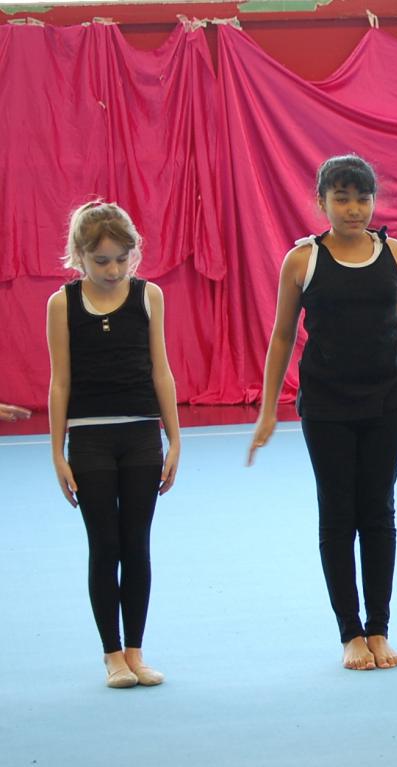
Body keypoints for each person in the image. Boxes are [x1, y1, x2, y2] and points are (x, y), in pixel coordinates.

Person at [247, 154, 397, 669]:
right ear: (321, 202)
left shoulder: (395, 254)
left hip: (383, 402)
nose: (354, 209)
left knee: (379, 513)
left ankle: (379, 629)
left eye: (363, 198)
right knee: (338, 514)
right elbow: (282, 337)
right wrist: (268, 410)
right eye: (341, 199)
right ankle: (350, 634)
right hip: (327, 407)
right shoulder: (303, 261)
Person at [46, 201, 181, 688]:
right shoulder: (62, 304)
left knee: (136, 544)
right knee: (104, 545)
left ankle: (135, 651)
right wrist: (57, 452)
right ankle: (111, 654)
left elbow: (161, 370)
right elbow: (60, 382)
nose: (113, 270)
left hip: (141, 434)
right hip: (90, 439)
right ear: (79, 256)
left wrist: (174, 437)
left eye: (122, 259)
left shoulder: (149, 297)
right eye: (101, 261)